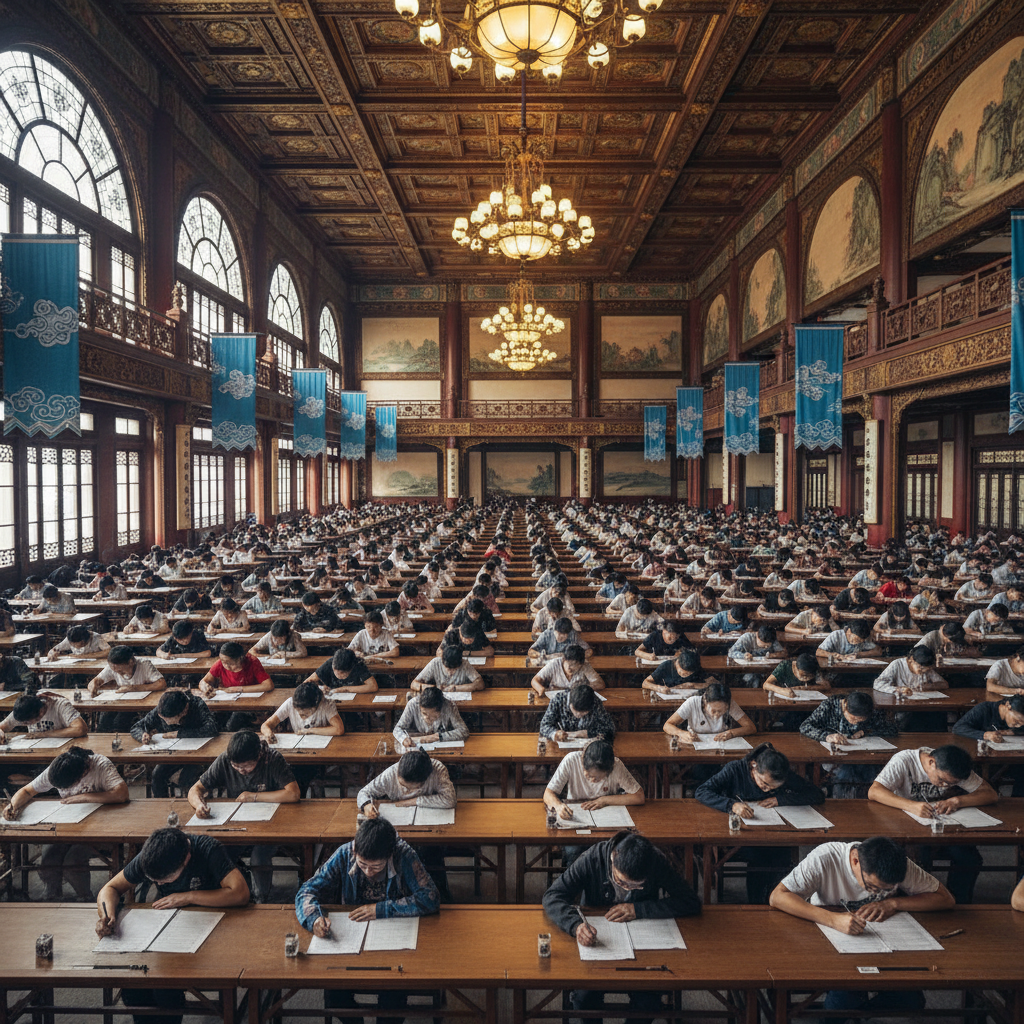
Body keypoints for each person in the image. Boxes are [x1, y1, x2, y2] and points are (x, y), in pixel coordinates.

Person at [769, 836, 954, 1021]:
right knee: (843, 1001)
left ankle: (861, 1013)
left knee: (911, 1000)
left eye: (885, 889)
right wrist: (833, 920)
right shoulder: (826, 857)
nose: (877, 893)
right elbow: (778, 896)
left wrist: (893, 903)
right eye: (872, 887)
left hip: (886, 943)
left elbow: (945, 899)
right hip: (833, 941)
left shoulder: (897, 864)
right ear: (855, 860)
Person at [542, 831, 700, 1024]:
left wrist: (639, 909)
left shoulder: (655, 861)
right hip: (598, 941)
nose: (626, 889)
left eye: (635, 886)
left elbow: (690, 901)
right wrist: (575, 925)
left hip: (643, 943)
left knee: (648, 1000)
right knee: (584, 997)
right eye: (620, 881)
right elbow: (553, 896)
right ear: (613, 857)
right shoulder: (593, 857)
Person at [96, 827, 250, 1024]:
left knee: (165, 986)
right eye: (154, 880)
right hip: (172, 925)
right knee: (133, 983)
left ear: (185, 860)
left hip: (217, 923)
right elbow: (110, 888)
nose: (159, 883)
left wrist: (188, 896)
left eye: (164, 879)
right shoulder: (153, 855)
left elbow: (240, 893)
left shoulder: (208, 849)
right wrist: (107, 915)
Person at [295, 817, 439, 1024]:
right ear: (356, 852)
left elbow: (431, 897)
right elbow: (307, 890)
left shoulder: (403, 854)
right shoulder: (346, 853)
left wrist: (382, 909)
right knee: (334, 992)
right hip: (351, 937)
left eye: (376, 867)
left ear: (389, 855)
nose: (368, 872)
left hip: (394, 936)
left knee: (395, 993)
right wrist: (314, 919)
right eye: (363, 865)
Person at [695, 742, 826, 902]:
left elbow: (817, 794)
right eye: (764, 784)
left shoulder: (780, 773)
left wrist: (780, 799)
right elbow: (702, 791)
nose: (767, 790)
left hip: (773, 831)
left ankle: (775, 900)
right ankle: (758, 902)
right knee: (760, 855)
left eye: (773, 788)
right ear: (753, 767)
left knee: (781, 854)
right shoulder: (735, 769)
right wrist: (732, 805)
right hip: (741, 834)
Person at [868, 744, 998, 902]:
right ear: (931, 762)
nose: (945, 785)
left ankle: (957, 901)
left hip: (943, 825)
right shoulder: (904, 761)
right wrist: (911, 805)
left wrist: (957, 800)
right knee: (919, 858)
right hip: (906, 825)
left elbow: (990, 794)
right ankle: (922, 903)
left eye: (951, 784)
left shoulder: (954, 766)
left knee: (969, 858)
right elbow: (874, 791)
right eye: (942, 780)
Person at [188, 730, 300, 903]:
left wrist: (254, 796)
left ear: (259, 755)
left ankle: (262, 898)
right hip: (239, 821)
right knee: (219, 851)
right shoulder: (225, 760)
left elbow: (293, 794)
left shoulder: (272, 758)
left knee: (259, 857)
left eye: (247, 766)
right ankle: (231, 892)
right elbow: (195, 789)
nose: (242, 771)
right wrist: (198, 804)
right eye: (236, 767)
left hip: (273, 822)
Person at [3, 746, 129, 900]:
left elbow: (121, 793)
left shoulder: (100, 764)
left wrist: (84, 797)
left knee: (72, 862)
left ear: (83, 772)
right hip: (68, 823)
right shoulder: (61, 766)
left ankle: (86, 898)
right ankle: (53, 895)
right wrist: (13, 805)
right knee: (48, 860)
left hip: (98, 827)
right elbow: (28, 791)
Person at [800, 690, 897, 797]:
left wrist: (866, 731)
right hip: (834, 754)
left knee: (870, 770)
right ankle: (845, 799)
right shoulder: (829, 706)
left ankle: (865, 798)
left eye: (860, 720)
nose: (856, 723)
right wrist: (827, 736)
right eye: (853, 718)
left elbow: (892, 729)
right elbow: (805, 726)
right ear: (845, 706)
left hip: (863, 753)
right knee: (848, 770)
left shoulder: (869, 710)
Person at [130, 689, 218, 798]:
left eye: (170, 720)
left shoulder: (196, 704)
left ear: (184, 711)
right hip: (174, 753)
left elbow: (211, 728)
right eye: (163, 719)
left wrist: (179, 733)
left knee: (189, 778)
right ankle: (162, 807)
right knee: (157, 774)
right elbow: (136, 727)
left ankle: (196, 806)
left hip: (198, 754)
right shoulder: (161, 710)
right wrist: (142, 735)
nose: (165, 722)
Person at [543, 740, 644, 823]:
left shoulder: (616, 766)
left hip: (607, 815)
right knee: (573, 847)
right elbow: (548, 793)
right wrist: (558, 806)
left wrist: (604, 800)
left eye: (598, 778)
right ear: (582, 764)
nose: (592, 780)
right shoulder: (571, 760)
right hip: (577, 813)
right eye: (589, 775)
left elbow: (639, 797)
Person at [953, 694, 1024, 796]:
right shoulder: (985, 709)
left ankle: (1017, 803)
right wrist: (985, 735)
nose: (1018, 726)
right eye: (1016, 721)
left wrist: (1011, 732)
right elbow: (958, 728)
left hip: (1010, 759)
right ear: (1008, 706)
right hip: (983, 759)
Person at [87, 646, 166, 731]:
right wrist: (93, 687)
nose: (119, 674)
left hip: (139, 703)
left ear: (131, 662)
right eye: (115, 671)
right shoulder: (114, 666)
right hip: (121, 701)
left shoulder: (144, 665)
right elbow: (94, 681)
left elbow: (161, 683)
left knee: (119, 723)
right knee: (104, 723)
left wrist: (133, 688)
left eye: (121, 671)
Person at [198, 641, 272, 729]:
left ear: (240, 658)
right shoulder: (220, 664)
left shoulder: (252, 662)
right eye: (223, 662)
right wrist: (205, 687)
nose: (226, 666)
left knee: (233, 722)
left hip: (250, 704)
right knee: (212, 719)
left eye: (230, 663)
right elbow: (203, 682)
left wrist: (238, 689)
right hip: (228, 704)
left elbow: (268, 685)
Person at [661, 681, 755, 745]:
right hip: (696, 745)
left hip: (721, 745)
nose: (717, 714)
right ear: (705, 701)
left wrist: (732, 733)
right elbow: (667, 725)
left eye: (721, 711)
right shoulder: (692, 702)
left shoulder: (730, 703)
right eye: (713, 710)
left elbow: (751, 727)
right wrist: (681, 733)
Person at [393, 684, 469, 748]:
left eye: (432, 716)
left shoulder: (449, 706)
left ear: (440, 710)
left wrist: (437, 737)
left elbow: (463, 731)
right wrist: (404, 739)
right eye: (424, 713)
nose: (426, 718)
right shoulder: (413, 704)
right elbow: (397, 729)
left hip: (440, 747)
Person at [539, 683, 615, 742]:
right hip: (562, 743)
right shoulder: (559, 700)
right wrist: (555, 733)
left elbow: (609, 728)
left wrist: (584, 733)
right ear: (570, 703)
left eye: (584, 713)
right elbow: (544, 725)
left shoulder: (595, 702)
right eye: (575, 710)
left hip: (588, 745)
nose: (578, 715)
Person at [530, 643, 604, 697]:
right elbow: (535, 680)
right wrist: (540, 689)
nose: (569, 667)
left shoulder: (585, 666)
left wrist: (581, 688)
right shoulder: (554, 664)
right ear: (563, 659)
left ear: (581, 664)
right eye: (567, 663)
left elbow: (600, 683)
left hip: (577, 701)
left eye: (574, 665)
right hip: (556, 701)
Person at [411, 645, 483, 693]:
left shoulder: (464, 664)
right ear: (442, 661)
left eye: (454, 669)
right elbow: (414, 684)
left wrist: (456, 688)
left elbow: (480, 683)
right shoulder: (435, 663)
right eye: (448, 669)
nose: (450, 673)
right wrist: (433, 688)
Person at [307, 647, 378, 696]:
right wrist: (320, 688)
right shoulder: (330, 663)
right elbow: (307, 682)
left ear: (351, 668)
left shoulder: (357, 665)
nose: (338, 675)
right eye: (335, 671)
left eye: (342, 673)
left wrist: (345, 689)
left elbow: (373, 686)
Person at [640, 646, 708, 695]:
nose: (684, 676)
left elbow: (713, 683)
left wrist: (693, 685)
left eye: (688, 674)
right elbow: (645, 683)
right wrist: (658, 688)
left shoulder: (694, 666)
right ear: (677, 663)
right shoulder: (666, 666)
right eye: (682, 673)